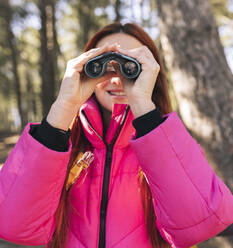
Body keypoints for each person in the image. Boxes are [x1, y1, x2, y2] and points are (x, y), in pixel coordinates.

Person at [0, 22, 232, 248]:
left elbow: (204, 223)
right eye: (105, 66)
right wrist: (64, 107)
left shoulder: (171, 144)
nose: (116, 78)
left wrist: (143, 104)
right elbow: (12, 224)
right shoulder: (61, 146)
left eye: (130, 66)